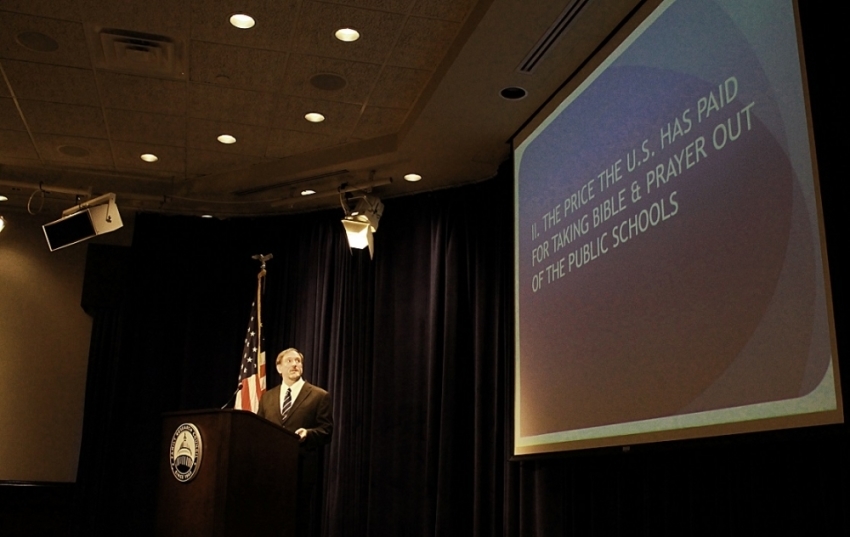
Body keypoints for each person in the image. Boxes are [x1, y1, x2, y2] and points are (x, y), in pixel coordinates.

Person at [258, 348, 332, 537]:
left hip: (301, 471)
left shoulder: (319, 396)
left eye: (298, 361)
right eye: (289, 361)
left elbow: (326, 431)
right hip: (270, 472)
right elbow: (259, 429)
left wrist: (308, 433)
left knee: (296, 525)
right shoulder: (267, 397)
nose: (295, 364)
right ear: (278, 367)